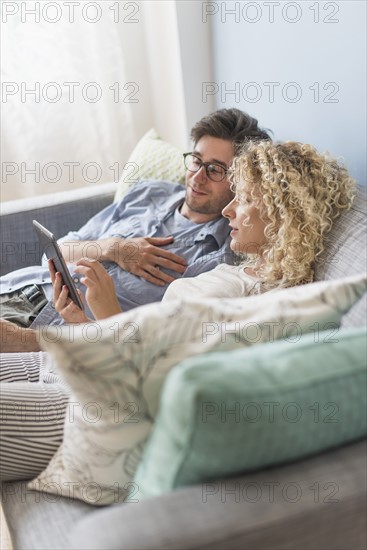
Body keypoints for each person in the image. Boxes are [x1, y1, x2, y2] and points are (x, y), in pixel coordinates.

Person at [0, 139, 355, 481]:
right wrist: (80, 321)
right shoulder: (237, 270)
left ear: (282, 216)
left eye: (244, 199)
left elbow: (163, 379)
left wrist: (108, 311)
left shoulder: (269, 301)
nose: (229, 208)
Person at [0, 108, 271, 353]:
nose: (198, 177)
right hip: (17, 286)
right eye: (196, 161)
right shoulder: (150, 192)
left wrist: (31, 340)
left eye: (215, 170)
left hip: (40, 328)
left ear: (240, 181)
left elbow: (149, 344)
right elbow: (57, 251)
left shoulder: (219, 258)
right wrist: (112, 248)